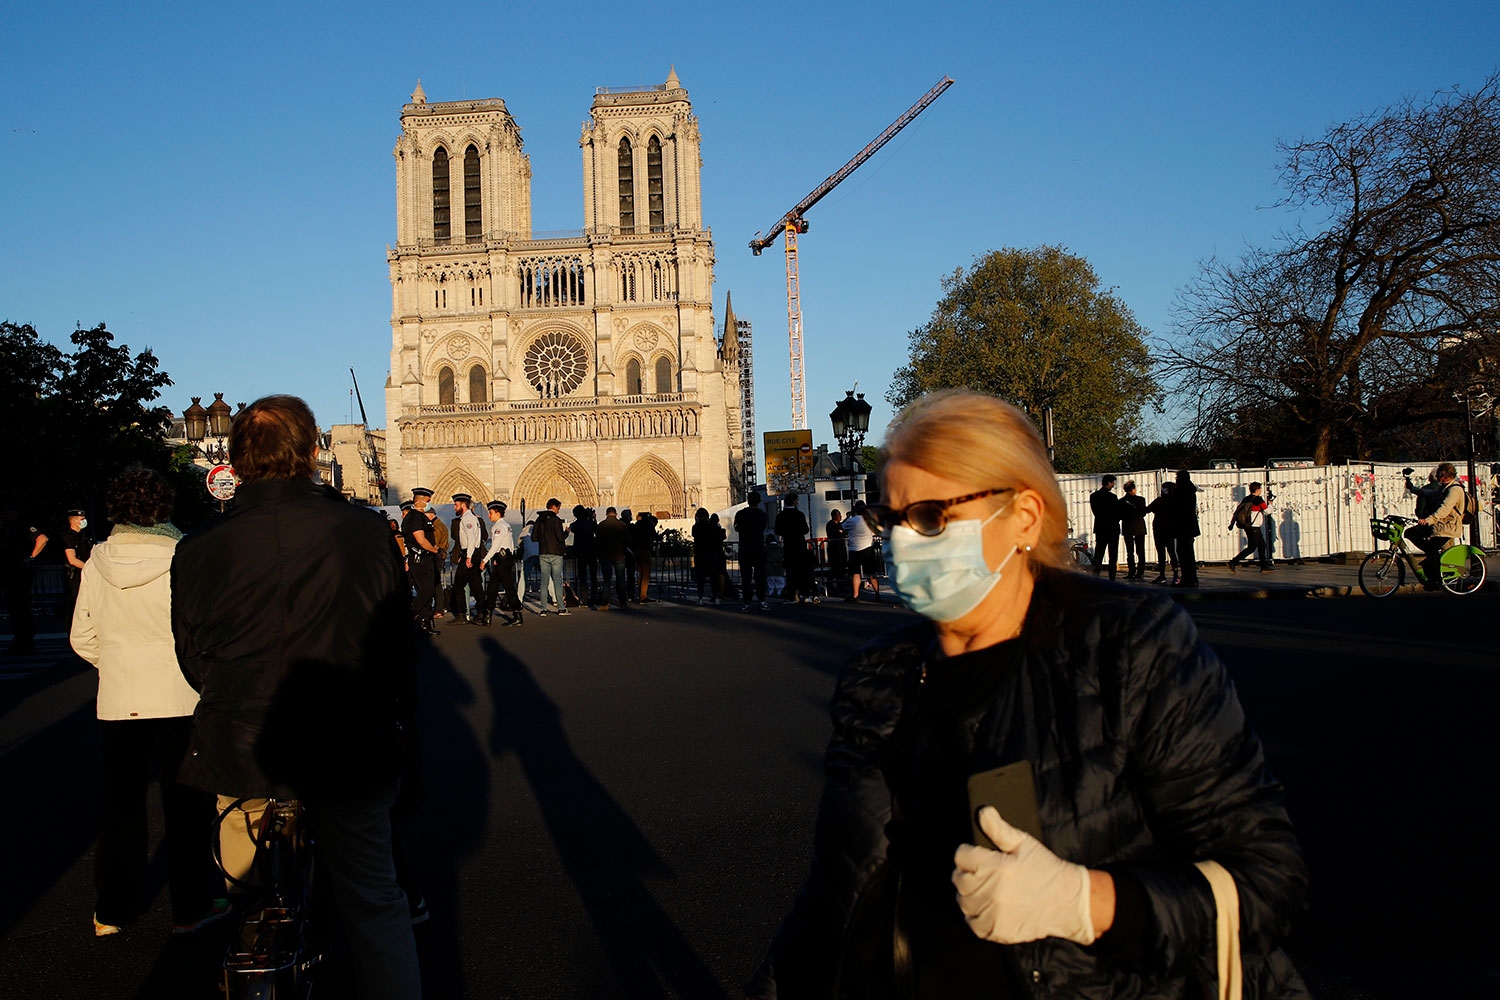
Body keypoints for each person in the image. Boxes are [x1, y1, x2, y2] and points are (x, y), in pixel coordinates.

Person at [749, 389, 1308, 999]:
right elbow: (837, 896)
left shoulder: (1129, 647)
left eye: (933, 517)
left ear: (1023, 517)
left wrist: (1085, 903)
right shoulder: (879, 674)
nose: (901, 542)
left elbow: (1266, 882)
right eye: (890, 519)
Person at [172, 395, 421, 1000]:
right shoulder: (365, 531)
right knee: (373, 901)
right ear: (313, 453)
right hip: (350, 743)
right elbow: (396, 646)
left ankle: (257, 937)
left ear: (234, 458)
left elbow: (191, 658)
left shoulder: (198, 547)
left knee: (249, 891)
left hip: (242, 745)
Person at [70, 466, 226, 938]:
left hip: (119, 698)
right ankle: (191, 907)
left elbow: (82, 637)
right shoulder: (186, 556)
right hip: (179, 694)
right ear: (164, 507)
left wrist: (117, 663)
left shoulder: (96, 561)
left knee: (121, 808)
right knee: (186, 808)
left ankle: (112, 910)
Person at [1406, 463, 1466, 588]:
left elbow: (1445, 508)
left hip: (1448, 528)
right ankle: (1431, 562)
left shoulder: (1455, 490)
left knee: (1432, 549)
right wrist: (1414, 489)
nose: (1438, 477)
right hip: (1439, 526)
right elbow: (1431, 494)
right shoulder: (1444, 487)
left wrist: (1429, 520)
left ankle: (1436, 579)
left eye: (1440, 474)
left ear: (1445, 475)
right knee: (1410, 533)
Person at [1, 509, 47, 655]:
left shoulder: (23, 527)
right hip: (11, 572)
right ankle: (21, 640)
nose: (5, 515)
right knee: (15, 608)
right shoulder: (7, 528)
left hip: (19, 572)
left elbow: (42, 538)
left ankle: (25, 641)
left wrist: (31, 557)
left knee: (20, 607)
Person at [401, 487, 441, 634]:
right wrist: (435, 550)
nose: (429, 503)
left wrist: (435, 547)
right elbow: (421, 540)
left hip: (425, 558)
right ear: (418, 501)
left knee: (426, 591)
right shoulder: (414, 518)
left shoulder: (422, 517)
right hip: (420, 558)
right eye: (426, 500)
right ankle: (409, 615)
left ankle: (425, 622)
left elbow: (429, 538)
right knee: (426, 590)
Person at [480, 500, 522, 626]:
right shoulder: (507, 525)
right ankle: (488, 614)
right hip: (505, 557)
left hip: (502, 557)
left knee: (508, 587)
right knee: (492, 587)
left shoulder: (499, 527)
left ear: (497, 513)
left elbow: (495, 546)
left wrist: (484, 560)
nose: (489, 515)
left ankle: (517, 613)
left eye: (491, 513)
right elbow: (511, 544)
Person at [449, 493, 486, 623]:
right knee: (475, 585)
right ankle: (482, 612)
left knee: (458, 585)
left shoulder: (467, 519)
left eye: (456, 505)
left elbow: (471, 539)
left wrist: (468, 557)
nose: (454, 507)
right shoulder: (471, 518)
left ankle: (461, 614)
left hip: (470, 553)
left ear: (463, 505)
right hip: (471, 553)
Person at [775, 495, 816, 603]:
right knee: (803, 571)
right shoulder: (799, 515)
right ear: (794, 502)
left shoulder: (781, 515)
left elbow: (777, 530)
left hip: (789, 545)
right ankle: (806, 594)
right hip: (800, 545)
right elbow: (806, 530)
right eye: (796, 500)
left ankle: (792, 595)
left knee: (790, 572)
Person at [534, 498, 570, 616]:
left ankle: (543, 608)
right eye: (558, 508)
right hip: (555, 554)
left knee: (544, 581)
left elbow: (534, 538)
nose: (558, 511)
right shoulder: (556, 520)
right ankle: (561, 608)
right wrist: (567, 532)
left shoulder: (539, 520)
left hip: (543, 553)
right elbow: (560, 538)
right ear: (554, 507)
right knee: (557, 581)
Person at [734, 493, 769, 610]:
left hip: (745, 548)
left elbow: (736, 528)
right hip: (758, 548)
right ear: (759, 501)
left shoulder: (740, 514)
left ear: (748, 501)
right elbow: (762, 528)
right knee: (760, 576)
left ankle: (747, 602)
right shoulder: (763, 515)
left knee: (746, 577)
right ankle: (762, 599)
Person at [1227, 482, 1273, 573]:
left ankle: (1263, 566)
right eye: (1260, 489)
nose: (1260, 491)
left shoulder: (1246, 499)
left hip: (1247, 526)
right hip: (1254, 526)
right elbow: (1268, 511)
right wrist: (1270, 504)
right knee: (1252, 547)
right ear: (1256, 490)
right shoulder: (1258, 500)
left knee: (1262, 545)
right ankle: (1233, 562)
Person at [595, 507, 632, 610]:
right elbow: (627, 539)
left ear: (606, 514)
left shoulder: (601, 525)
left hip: (605, 556)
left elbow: (597, 541)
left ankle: (605, 604)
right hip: (619, 555)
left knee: (606, 580)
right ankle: (623, 603)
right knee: (620, 579)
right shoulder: (622, 525)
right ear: (616, 514)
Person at [1169, 468, 1201, 587]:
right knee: (1188, 552)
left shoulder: (1180, 491)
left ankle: (1187, 578)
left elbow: (1176, 508)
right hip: (1189, 525)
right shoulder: (1190, 490)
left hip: (1182, 525)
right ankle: (1191, 577)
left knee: (1183, 552)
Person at [844, 499, 880, 603]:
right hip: (868, 549)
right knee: (872, 573)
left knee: (856, 573)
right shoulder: (869, 520)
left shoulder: (852, 520)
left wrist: (848, 516)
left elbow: (842, 527)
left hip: (854, 549)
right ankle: (877, 593)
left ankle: (855, 595)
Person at [59, 507, 94, 612]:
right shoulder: (69, 537)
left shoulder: (84, 535)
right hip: (74, 574)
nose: (84, 521)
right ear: (74, 521)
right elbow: (72, 559)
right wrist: (90, 568)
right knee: (74, 601)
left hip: (85, 572)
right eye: (81, 519)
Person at [1145, 481, 1179, 585]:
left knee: (1161, 553)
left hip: (1159, 529)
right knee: (1172, 552)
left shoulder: (1159, 501)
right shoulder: (1175, 501)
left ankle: (1163, 575)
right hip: (1170, 529)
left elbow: (1147, 509)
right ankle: (1176, 575)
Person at [1088, 474, 1120, 580]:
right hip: (1112, 528)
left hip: (1100, 528)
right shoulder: (1112, 497)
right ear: (1109, 483)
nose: (1113, 485)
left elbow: (1095, 511)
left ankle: (1096, 576)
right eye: (1112, 483)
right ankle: (1112, 578)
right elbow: (1117, 513)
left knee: (1099, 554)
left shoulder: (1094, 496)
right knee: (1113, 555)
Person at [691, 507, 722, 605]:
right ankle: (716, 598)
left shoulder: (696, 527)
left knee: (701, 577)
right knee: (713, 576)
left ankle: (700, 599)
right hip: (712, 554)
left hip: (700, 554)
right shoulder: (712, 526)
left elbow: (694, 535)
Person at [1117, 482, 1147, 580]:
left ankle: (1131, 571)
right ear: (1133, 489)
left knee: (1130, 551)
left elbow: (1120, 515)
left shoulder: (1121, 501)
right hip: (1139, 528)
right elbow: (1143, 513)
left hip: (1128, 528)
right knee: (1141, 551)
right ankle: (1140, 572)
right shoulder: (1141, 500)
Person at [570, 505, 599, 606]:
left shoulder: (575, 525)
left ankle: (584, 598)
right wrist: (593, 518)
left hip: (580, 552)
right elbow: (596, 531)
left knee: (582, 577)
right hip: (591, 551)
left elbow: (572, 528)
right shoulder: (590, 523)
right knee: (593, 576)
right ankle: (594, 597)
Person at [632, 510, 660, 602]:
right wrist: (665, 533)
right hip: (645, 550)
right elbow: (656, 537)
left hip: (636, 551)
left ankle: (640, 594)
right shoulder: (648, 525)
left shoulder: (636, 525)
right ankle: (643, 596)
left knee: (641, 574)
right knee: (646, 574)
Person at [826, 508, 849, 588]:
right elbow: (838, 533)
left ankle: (841, 585)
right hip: (834, 550)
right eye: (839, 515)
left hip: (841, 549)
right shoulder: (830, 525)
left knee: (842, 568)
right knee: (835, 568)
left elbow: (844, 531)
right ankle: (830, 583)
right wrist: (841, 533)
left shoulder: (839, 525)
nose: (840, 516)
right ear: (834, 516)